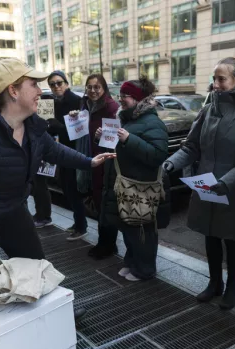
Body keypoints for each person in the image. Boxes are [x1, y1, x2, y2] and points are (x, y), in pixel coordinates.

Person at [0, 58, 115, 349]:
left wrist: (90, 162)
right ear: (13, 91)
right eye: (33, 85)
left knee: (37, 264)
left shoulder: (34, 125)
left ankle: (45, 318)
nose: (40, 90)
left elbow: (56, 152)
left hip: (11, 209)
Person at [164, 57, 235, 310]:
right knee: (210, 236)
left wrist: (227, 181)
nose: (216, 84)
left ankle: (232, 287)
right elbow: (191, 147)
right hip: (207, 188)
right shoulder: (208, 110)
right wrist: (170, 164)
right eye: (214, 79)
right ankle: (214, 283)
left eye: (221, 79)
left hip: (233, 191)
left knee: (232, 241)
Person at [97, 77, 168, 281]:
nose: (121, 99)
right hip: (125, 186)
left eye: (125, 96)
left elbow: (158, 154)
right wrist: (102, 137)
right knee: (128, 227)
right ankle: (132, 261)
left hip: (141, 188)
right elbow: (116, 149)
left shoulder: (153, 122)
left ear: (138, 99)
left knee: (142, 231)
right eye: (120, 95)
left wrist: (129, 139)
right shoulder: (127, 120)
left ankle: (145, 269)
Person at [32, 71, 87, 241]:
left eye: (59, 83)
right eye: (52, 84)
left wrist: (60, 126)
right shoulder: (51, 103)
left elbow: (81, 128)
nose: (56, 87)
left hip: (74, 150)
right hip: (58, 149)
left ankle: (81, 226)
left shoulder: (76, 101)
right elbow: (50, 125)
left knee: (74, 189)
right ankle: (78, 222)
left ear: (66, 83)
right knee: (67, 188)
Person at [77, 74, 120, 259]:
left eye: (97, 87)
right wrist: (75, 116)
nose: (93, 91)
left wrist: (99, 137)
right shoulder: (85, 105)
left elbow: (114, 140)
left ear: (104, 89)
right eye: (89, 87)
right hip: (91, 160)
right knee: (97, 200)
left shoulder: (111, 107)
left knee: (106, 203)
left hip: (106, 163)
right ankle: (104, 242)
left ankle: (108, 245)